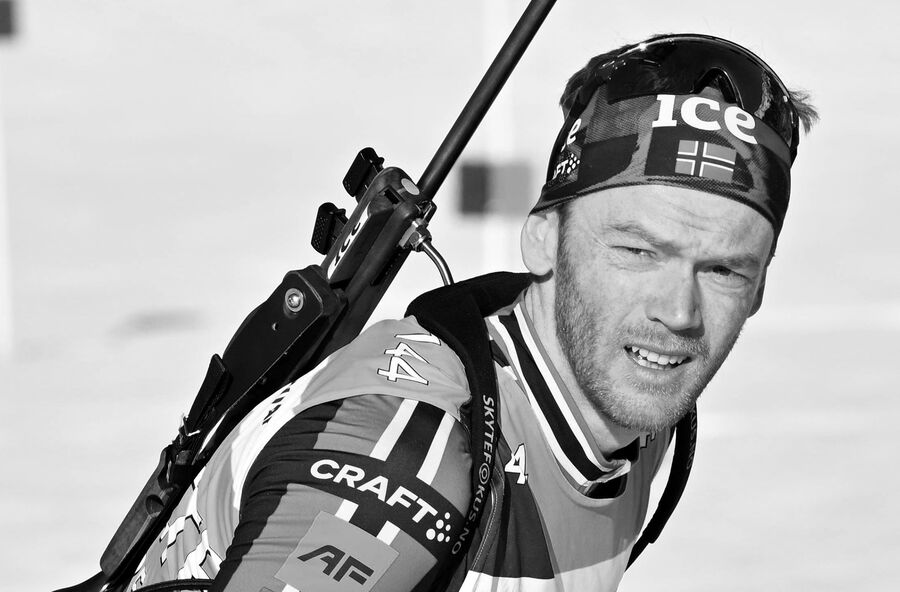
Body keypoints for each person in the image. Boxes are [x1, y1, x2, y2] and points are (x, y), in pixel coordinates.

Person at [123, 33, 817, 592]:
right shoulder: (407, 462)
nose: (678, 311)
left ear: (759, 288)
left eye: (724, 269)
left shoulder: (632, 401)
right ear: (542, 240)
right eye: (637, 250)